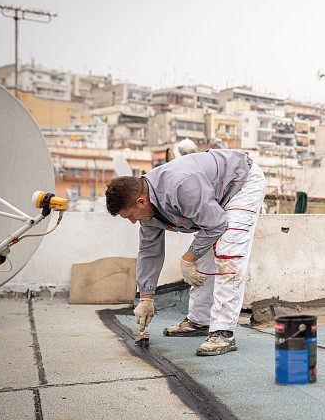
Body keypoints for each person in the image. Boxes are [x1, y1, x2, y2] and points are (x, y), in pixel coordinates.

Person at [105, 149, 266, 356]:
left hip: (241, 182)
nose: (133, 221)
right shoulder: (148, 209)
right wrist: (146, 297)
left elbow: (216, 225)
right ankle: (200, 320)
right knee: (203, 254)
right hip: (216, 194)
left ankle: (223, 332)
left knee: (228, 252)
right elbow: (149, 252)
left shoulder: (181, 186)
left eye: (130, 216)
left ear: (141, 202)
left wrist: (187, 259)